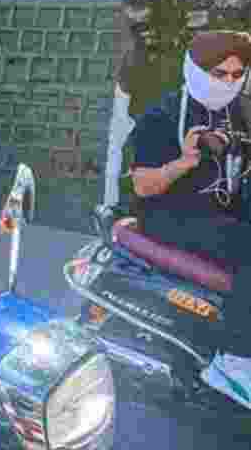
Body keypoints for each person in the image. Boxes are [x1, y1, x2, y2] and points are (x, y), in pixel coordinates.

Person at [129, 30, 251, 408]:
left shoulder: (240, 113)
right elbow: (143, 186)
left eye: (237, 74)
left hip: (222, 211)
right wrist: (184, 162)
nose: (228, 82)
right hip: (169, 215)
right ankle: (235, 358)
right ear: (196, 71)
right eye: (219, 74)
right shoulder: (162, 115)